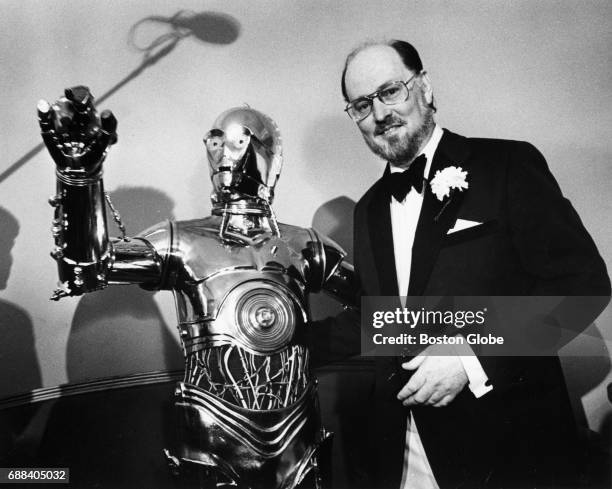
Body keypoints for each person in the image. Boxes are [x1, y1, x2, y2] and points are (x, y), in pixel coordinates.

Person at [37, 87, 358, 489]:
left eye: (241, 141)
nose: (226, 152)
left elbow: (377, 312)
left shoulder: (304, 243)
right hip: (212, 437)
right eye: (217, 141)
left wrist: (306, 341)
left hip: (300, 437)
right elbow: (86, 271)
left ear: (268, 155)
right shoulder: (183, 240)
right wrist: (79, 175)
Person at [341, 40, 610, 488]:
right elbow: (384, 323)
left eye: (391, 91)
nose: (380, 113)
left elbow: (583, 287)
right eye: (362, 105)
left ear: (424, 87)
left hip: (512, 453)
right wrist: (276, 332)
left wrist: (470, 356)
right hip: (404, 458)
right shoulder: (367, 209)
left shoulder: (507, 164)